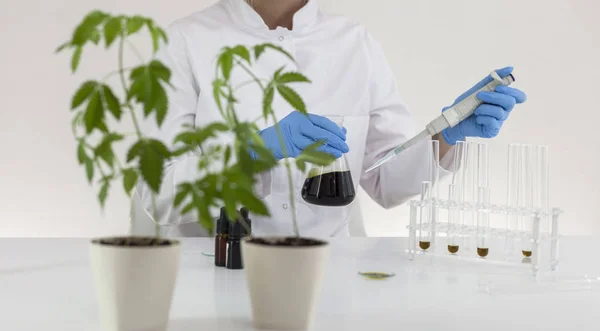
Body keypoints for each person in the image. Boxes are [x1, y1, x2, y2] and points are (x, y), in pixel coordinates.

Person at [138, 0, 526, 237]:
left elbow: (385, 180)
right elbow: (158, 195)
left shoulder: (354, 42)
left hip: (328, 272)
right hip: (219, 273)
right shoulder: (185, 41)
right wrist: (253, 154)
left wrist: (446, 134)